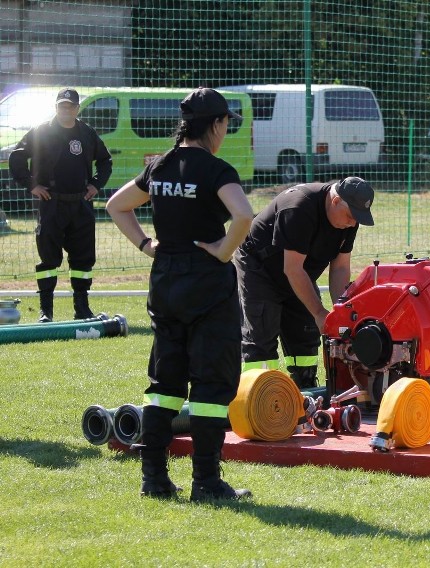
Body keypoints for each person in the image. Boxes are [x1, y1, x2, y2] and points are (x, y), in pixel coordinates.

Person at [106, 88, 254, 501]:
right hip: (207, 284)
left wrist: (145, 244)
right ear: (217, 125)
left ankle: (153, 479)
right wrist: (225, 251)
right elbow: (243, 215)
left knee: (164, 382)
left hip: (165, 282)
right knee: (211, 384)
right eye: (226, 124)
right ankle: (206, 482)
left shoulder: (160, 166)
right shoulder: (216, 170)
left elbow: (117, 206)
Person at [235, 176, 375, 388]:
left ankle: (307, 390)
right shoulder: (299, 207)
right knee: (261, 336)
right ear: (336, 201)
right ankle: (259, 394)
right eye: (350, 216)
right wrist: (319, 313)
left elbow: (340, 267)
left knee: (305, 334)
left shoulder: (349, 219)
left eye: (357, 218)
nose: (353, 222)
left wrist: (340, 312)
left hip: (299, 272)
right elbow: (292, 269)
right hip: (260, 268)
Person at [8, 87, 112, 322]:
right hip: (51, 204)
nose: (66, 109)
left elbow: (105, 161)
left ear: (77, 108)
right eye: (62, 106)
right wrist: (31, 185)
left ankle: (82, 309)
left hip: (81, 204)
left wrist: (96, 184)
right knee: (48, 258)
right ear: (56, 107)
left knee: (83, 259)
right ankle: (46, 311)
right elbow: (17, 157)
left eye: (71, 106)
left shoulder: (86, 133)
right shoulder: (42, 131)